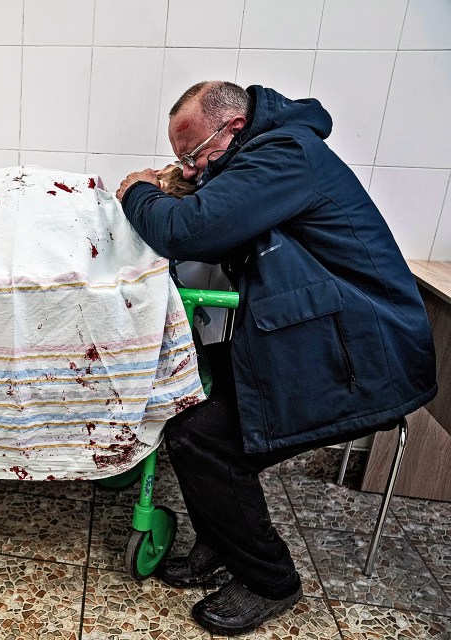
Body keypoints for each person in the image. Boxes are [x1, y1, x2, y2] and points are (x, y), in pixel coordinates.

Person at [115, 81, 437, 636]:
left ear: (233, 129)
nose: (190, 170)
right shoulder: (267, 156)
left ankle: (270, 581)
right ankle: (221, 541)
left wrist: (137, 193)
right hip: (328, 336)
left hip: (360, 358)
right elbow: (215, 234)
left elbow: (189, 233)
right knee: (184, 388)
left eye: (193, 156)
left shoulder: (285, 155)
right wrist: (181, 192)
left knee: (204, 438)